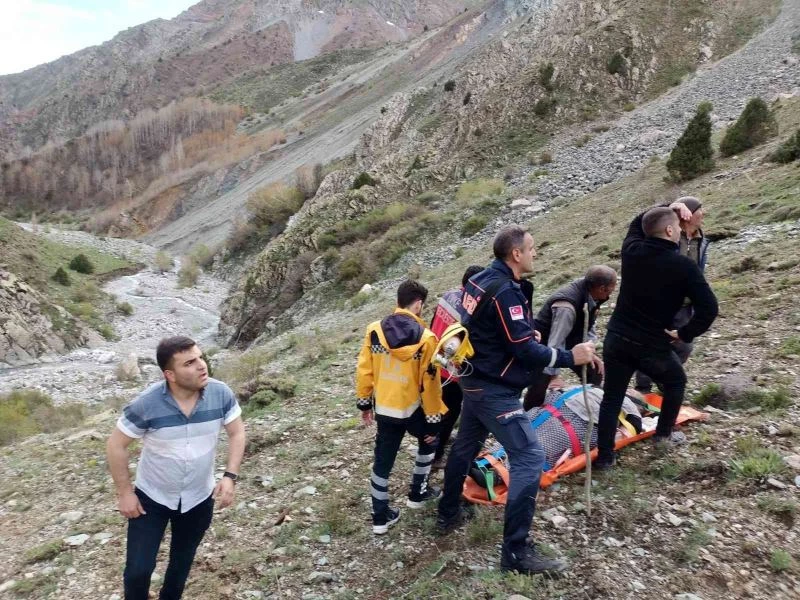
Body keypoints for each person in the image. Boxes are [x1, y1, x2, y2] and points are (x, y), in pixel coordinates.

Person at [436, 225, 599, 575]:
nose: (535, 253)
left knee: (466, 445)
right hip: (494, 387)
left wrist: (524, 330)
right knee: (529, 456)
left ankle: (448, 512)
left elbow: (481, 326)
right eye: (532, 248)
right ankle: (516, 553)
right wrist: (571, 356)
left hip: (473, 379)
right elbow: (524, 349)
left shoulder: (478, 280)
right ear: (516, 255)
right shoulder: (506, 291)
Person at [106, 336, 245, 600]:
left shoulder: (221, 393)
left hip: (199, 496)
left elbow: (237, 433)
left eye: (200, 358)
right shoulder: (147, 403)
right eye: (190, 363)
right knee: (138, 570)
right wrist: (125, 493)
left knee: (180, 564)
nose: (201, 366)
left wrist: (230, 476)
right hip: (152, 498)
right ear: (169, 374)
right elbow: (116, 445)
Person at [595, 205, 718, 470]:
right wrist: (684, 333)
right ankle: (663, 436)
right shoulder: (684, 266)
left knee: (611, 397)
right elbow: (710, 308)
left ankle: (605, 458)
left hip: (616, 338)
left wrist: (667, 208)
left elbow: (635, 223)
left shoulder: (631, 252)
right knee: (676, 382)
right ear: (671, 230)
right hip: (650, 344)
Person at [356, 280, 447, 534]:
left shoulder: (374, 330)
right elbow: (430, 383)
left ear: (399, 300)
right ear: (418, 304)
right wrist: (433, 418)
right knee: (429, 440)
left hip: (385, 409)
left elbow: (365, 370)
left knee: (382, 462)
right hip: (414, 409)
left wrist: (365, 403)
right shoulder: (427, 338)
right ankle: (418, 494)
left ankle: (380, 518)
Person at [635, 196, 708, 394]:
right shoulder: (667, 235)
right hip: (659, 302)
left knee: (684, 345)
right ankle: (643, 388)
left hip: (684, 304)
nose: (704, 214)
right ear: (688, 214)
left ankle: (664, 377)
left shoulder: (701, 240)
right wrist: (668, 207)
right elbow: (645, 226)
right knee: (651, 343)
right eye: (700, 210)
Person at [524, 265, 618, 410]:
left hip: (571, 342)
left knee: (595, 371)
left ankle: (589, 408)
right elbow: (555, 343)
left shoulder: (592, 292)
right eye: (610, 290)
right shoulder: (566, 307)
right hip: (545, 346)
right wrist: (554, 376)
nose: (610, 295)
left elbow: (589, 324)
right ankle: (529, 419)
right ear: (601, 288)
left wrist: (589, 353)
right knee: (540, 385)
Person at [429, 265, 484, 469]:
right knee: (449, 412)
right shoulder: (469, 311)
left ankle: (434, 444)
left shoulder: (448, 295)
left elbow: (434, 321)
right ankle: (435, 454)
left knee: (438, 406)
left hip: (435, 358)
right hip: (451, 370)